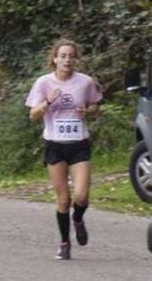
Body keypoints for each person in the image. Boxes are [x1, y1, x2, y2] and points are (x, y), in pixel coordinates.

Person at [26, 39, 102, 261]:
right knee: (62, 199)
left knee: (81, 195)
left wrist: (87, 111)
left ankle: (77, 219)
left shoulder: (86, 82)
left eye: (71, 56)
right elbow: (32, 115)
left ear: (75, 59)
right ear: (55, 59)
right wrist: (47, 102)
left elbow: (97, 107)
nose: (67, 60)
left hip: (79, 143)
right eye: (63, 56)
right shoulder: (43, 83)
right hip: (55, 144)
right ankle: (64, 242)